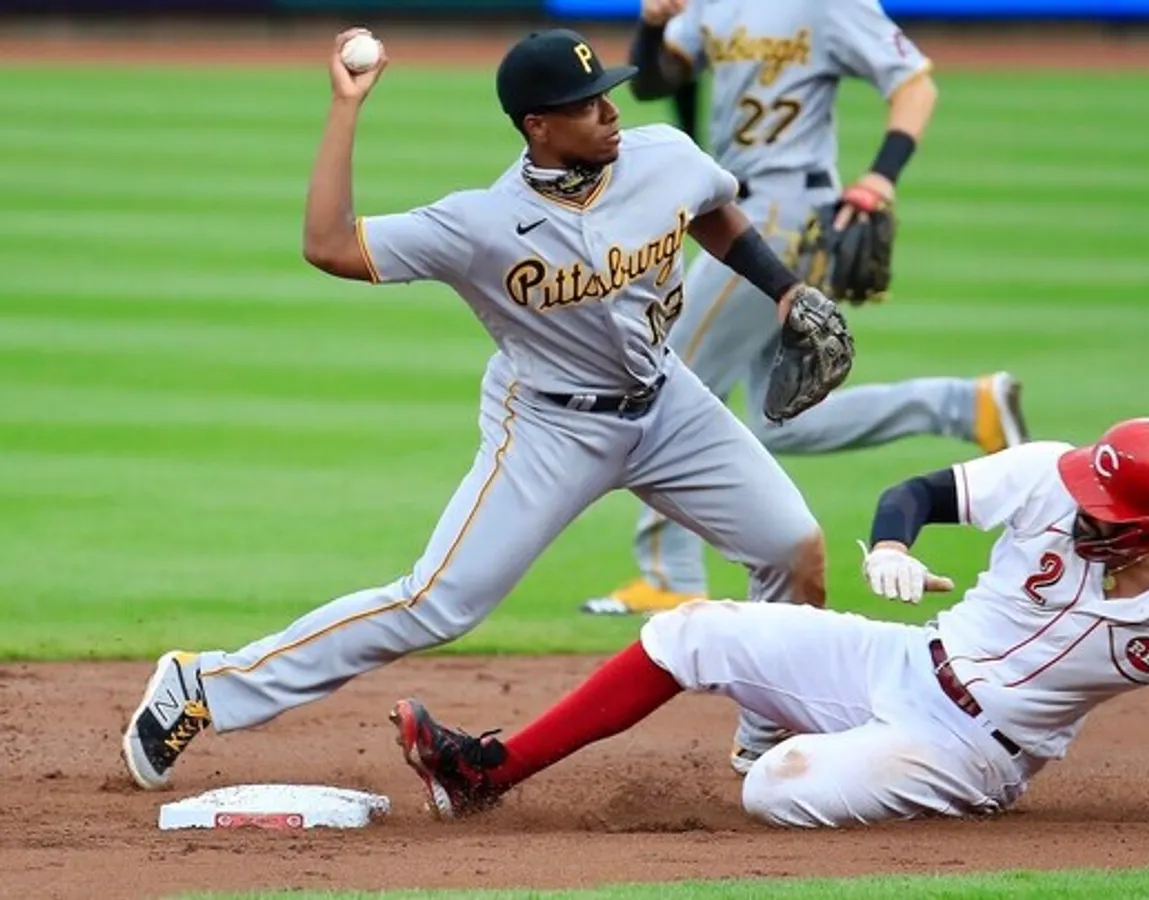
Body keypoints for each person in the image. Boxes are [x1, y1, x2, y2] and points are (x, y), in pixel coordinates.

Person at [120, 27, 856, 791]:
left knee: (792, 550)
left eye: (605, 92)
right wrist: (346, 108)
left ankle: (765, 738)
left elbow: (710, 208)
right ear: (538, 125)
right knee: (437, 604)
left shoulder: (663, 154)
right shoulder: (479, 224)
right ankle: (201, 686)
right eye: (584, 104)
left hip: (669, 405)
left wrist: (785, 289)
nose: (608, 111)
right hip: (549, 426)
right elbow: (329, 243)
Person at [386, 417, 1149, 828]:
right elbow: (915, 494)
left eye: (1107, 510)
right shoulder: (1047, 475)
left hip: (975, 749)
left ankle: (800, 747)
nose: (1080, 510)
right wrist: (889, 548)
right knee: (695, 632)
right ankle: (487, 772)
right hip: (903, 658)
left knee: (775, 791)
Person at [580, 0, 1030, 620]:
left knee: (667, 374)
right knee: (782, 420)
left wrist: (880, 177)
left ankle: (670, 573)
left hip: (781, 216)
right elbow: (659, 80)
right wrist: (652, 23)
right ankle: (964, 405)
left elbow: (914, 86)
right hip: (742, 208)